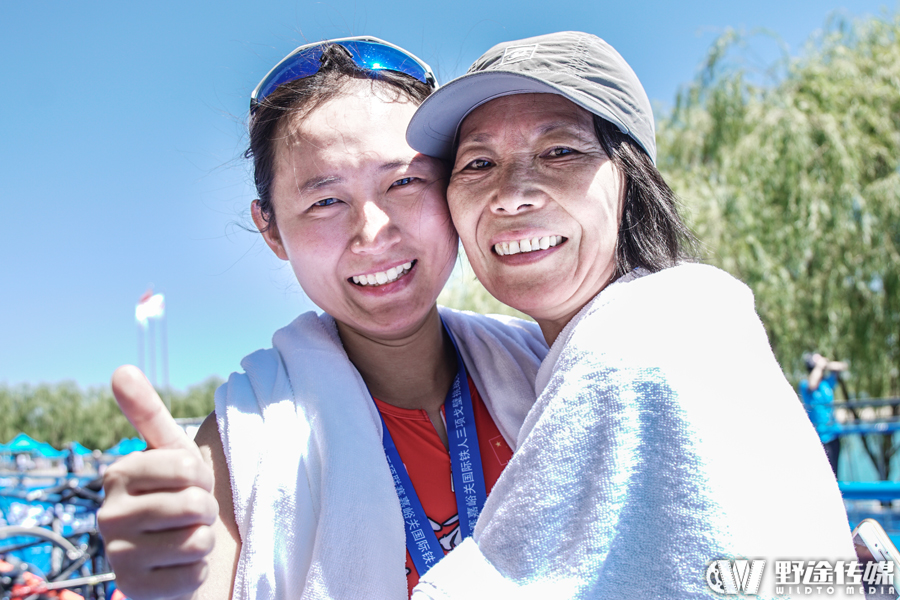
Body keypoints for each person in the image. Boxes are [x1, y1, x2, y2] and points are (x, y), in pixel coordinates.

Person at [406, 31, 856, 598]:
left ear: (631, 180)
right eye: (477, 163)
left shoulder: (635, 349)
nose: (511, 193)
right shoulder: (686, 317)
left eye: (560, 151)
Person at [97, 37, 548, 600]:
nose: (373, 232)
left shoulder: (550, 368)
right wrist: (163, 584)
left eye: (404, 182)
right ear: (271, 230)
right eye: (325, 201)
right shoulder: (240, 442)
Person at [800, 352, 849, 476]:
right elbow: (812, 384)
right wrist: (819, 365)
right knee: (823, 475)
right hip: (819, 436)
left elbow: (842, 366)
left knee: (834, 474)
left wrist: (825, 363)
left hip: (833, 434)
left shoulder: (826, 383)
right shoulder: (805, 384)